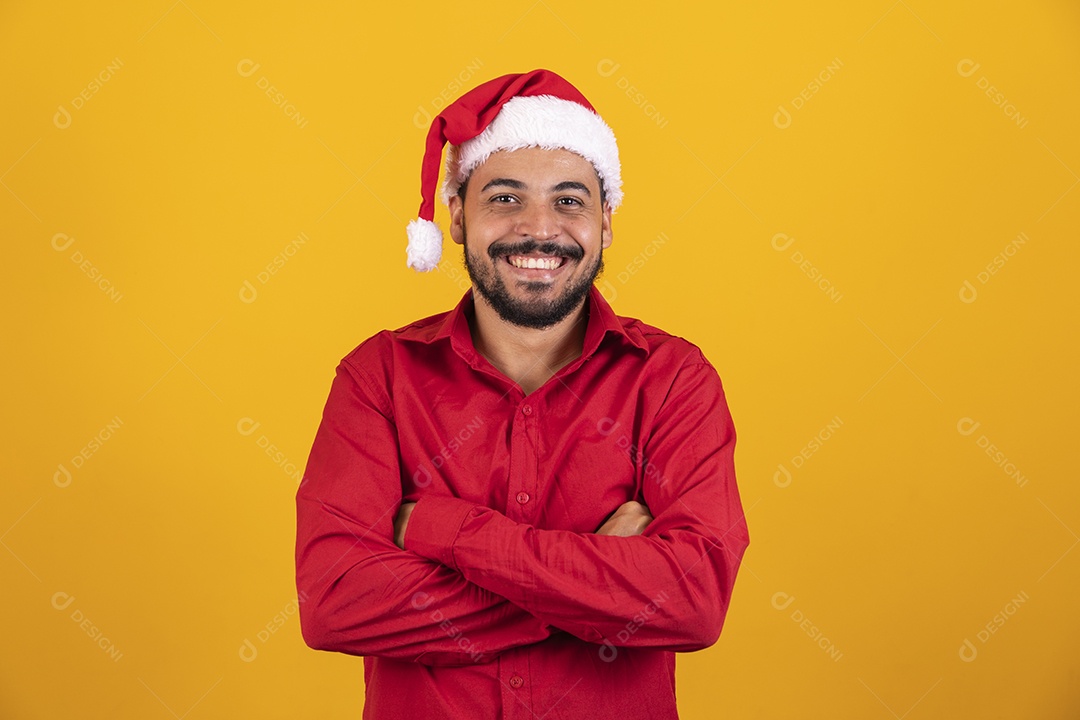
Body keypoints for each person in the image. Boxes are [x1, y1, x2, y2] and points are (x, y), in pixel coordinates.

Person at [295, 69, 749, 720]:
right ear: (456, 214)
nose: (539, 230)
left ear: (606, 222)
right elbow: (335, 604)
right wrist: (598, 587)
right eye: (505, 198)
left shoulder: (674, 380)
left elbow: (694, 602)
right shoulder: (379, 379)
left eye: (570, 200)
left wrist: (441, 532)